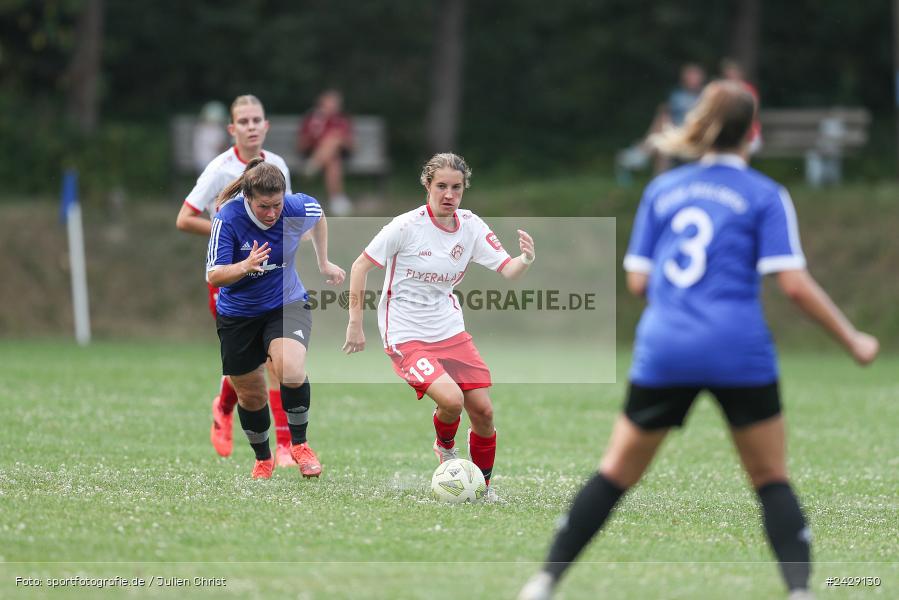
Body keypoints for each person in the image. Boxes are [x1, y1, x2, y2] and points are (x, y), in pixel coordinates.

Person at [519, 82, 878, 600]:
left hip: (667, 347)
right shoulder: (764, 194)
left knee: (615, 472)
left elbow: (638, 282)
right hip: (739, 349)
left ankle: (544, 582)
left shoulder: (663, 190)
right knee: (771, 478)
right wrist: (852, 339)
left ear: (701, 125)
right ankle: (801, 592)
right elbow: (794, 285)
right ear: (753, 132)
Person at [342, 152, 535, 502]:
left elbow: (508, 269)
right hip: (404, 332)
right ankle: (446, 447)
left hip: (450, 329)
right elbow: (359, 267)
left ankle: (483, 489)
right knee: (451, 400)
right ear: (427, 185)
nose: (449, 194)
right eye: (442, 186)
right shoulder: (405, 227)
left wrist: (525, 259)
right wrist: (356, 323)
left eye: (457, 188)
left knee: (484, 411)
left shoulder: (471, 226)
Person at [176, 94, 301, 469]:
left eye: (256, 120)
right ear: (232, 129)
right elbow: (184, 218)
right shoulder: (219, 169)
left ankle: (284, 448)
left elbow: (286, 217)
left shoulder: (276, 165)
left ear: (266, 126)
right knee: (250, 364)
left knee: (278, 361)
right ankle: (224, 405)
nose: (250, 126)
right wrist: (230, 236)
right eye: (243, 121)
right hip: (232, 279)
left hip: (273, 278)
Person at [206, 158, 345, 479]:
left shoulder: (295, 207)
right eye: (264, 207)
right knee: (251, 395)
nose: (272, 213)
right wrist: (245, 265)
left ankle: (300, 445)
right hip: (238, 315)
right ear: (248, 199)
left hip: (286, 304)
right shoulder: (227, 219)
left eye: (277, 205)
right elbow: (214, 275)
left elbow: (319, 214)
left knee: (290, 369)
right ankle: (262, 458)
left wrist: (324, 262)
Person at [297, 89, 354, 217]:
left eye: (335, 103)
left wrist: (337, 139)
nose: (332, 106)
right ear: (321, 103)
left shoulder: (341, 120)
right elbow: (301, 146)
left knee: (334, 139)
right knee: (333, 161)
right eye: (328, 103)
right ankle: (337, 200)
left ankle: (312, 167)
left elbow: (351, 145)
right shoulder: (313, 119)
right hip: (315, 153)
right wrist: (314, 133)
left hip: (340, 154)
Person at [721, 57, 763, 154]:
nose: (731, 75)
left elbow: (753, 111)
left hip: (747, 131)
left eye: (733, 72)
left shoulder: (747, 89)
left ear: (739, 74)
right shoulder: (722, 89)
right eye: (729, 73)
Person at [192, 101, 228, 175]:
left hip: (199, 163)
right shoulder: (216, 130)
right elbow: (220, 147)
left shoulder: (200, 129)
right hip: (211, 163)